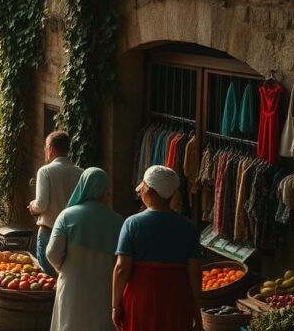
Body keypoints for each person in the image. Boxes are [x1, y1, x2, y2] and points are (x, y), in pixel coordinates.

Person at [112, 166, 202, 331]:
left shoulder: (132, 224)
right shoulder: (188, 227)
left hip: (141, 297)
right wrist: (196, 307)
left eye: (143, 186)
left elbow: (121, 269)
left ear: (150, 191)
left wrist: (115, 306)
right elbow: (195, 273)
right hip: (176, 297)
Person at [46, 167, 123, 331]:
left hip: (73, 288)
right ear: (105, 190)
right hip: (105, 291)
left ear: (82, 185)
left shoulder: (67, 216)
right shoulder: (119, 222)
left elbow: (52, 253)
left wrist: (64, 267)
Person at [28, 131, 83, 275]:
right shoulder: (80, 173)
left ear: (51, 148)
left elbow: (41, 204)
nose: (45, 150)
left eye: (46, 147)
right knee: (67, 275)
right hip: (72, 235)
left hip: (49, 232)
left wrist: (32, 206)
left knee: (46, 279)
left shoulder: (45, 171)